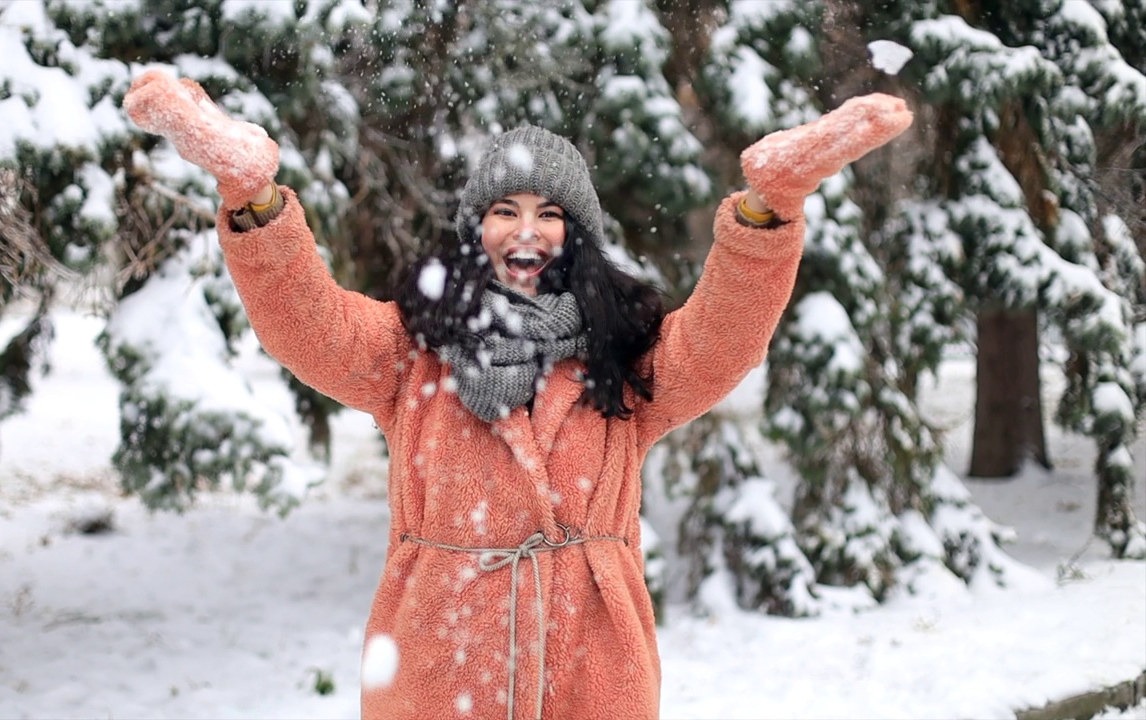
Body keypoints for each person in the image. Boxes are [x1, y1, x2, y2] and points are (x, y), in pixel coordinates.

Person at [123, 69, 911, 720]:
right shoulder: (413, 352)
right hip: (438, 672)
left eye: (549, 214)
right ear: (477, 228)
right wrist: (251, 199)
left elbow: (722, 337)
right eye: (505, 211)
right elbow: (310, 325)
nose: (526, 232)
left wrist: (767, 211)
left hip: (593, 675)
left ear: (577, 234)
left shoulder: (623, 362)